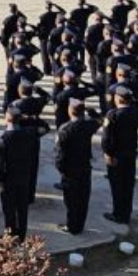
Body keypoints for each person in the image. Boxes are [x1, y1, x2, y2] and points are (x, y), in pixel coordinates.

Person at [0, 107, 48, 237]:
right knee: (22, 207)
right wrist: (31, 118)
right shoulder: (29, 133)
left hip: (8, 178)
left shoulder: (2, 138)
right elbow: (45, 128)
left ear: (7, 119)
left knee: (9, 208)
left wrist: (0, 178)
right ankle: (22, 234)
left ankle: (10, 234)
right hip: (24, 175)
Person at [100, 87, 138, 224]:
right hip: (131, 153)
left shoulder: (112, 115)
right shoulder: (136, 113)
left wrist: (108, 153)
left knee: (117, 186)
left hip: (117, 155)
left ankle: (118, 214)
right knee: (128, 185)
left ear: (117, 99)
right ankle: (126, 213)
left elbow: (107, 138)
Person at [54, 100, 99, 234]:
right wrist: (91, 111)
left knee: (71, 200)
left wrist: (61, 170)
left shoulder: (65, 129)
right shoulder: (89, 125)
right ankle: (80, 225)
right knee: (83, 197)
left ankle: (72, 226)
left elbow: (60, 154)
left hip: (70, 169)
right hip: (85, 165)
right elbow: (99, 120)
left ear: (70, 110)